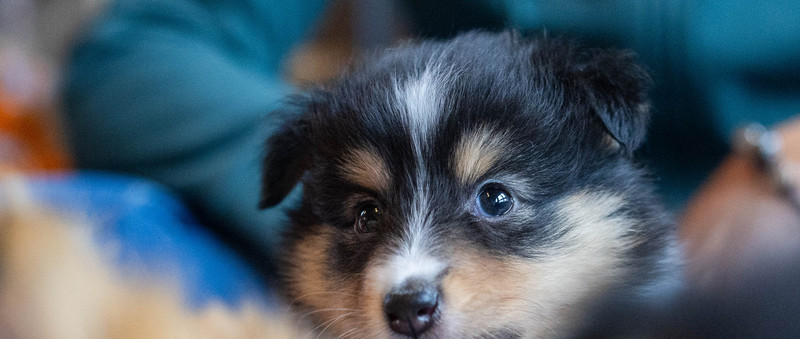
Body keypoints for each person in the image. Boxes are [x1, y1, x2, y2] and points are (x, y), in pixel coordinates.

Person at [61, 0, 800, 275]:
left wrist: (782, 165)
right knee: (73, 240)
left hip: (752, 257)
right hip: (412, 256)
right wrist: (354, 183)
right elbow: (137, 57)